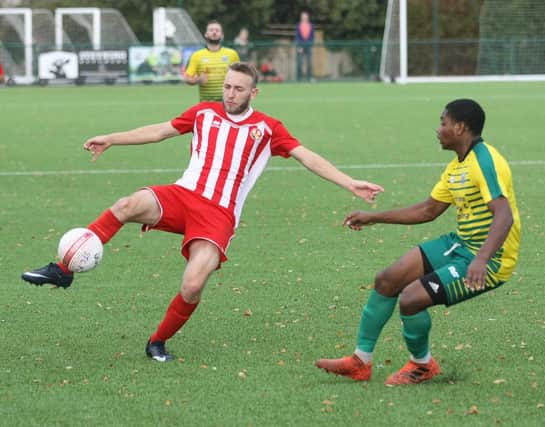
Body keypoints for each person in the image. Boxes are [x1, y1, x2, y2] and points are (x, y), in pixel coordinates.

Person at [22, 62, 383, 363]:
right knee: (126, 205)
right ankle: (63, 270)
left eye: (239, 89)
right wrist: (112, 138)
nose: (230, 93)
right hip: (183, 195)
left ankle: (157, 342)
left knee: (193, 284)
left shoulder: (267, 128)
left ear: (253, 93)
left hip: (219, 215)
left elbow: (308, 157)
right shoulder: (204, 113)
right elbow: (158, 131)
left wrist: (349, 183)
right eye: (227, 86)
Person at [315, 99, 520, 386]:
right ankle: (360, 361)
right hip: (462, 245)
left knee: (411, 298)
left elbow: (504, 215)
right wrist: (374, 217)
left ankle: (422, 365)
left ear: (460, 127)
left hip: (491, 260)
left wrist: (482, 259)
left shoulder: (485, 161)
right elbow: (428, 210)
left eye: (443, 122)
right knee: (388, 279)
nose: (438, 129)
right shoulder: (456, 167)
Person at [184, 20, 240, 101]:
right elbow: (187, 78)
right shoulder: (197, 55)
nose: (214, 32)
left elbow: (241, 77)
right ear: (206, 35)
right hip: (206, 104)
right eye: (211, 30)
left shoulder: (232, 54)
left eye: (217, 30)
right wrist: (198, 80)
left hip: (228, 103)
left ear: (222, 35)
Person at [295, 11, 314, 81]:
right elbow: (297, 37)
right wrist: (299, 46)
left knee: (309, 63)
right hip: (301, 47)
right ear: (301, 18)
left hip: (308, 46)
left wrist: (310, 44)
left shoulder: (311, 26)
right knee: (300, 63)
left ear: (308, 18)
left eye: (306, 17)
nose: (304, 19)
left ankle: (309, 78)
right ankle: (299, 78)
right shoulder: (298, 26)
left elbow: (312, 37)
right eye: (303, 17)